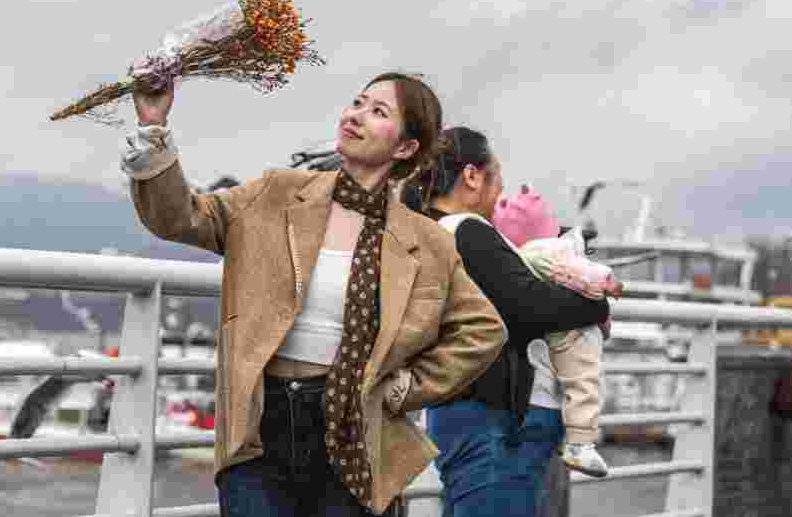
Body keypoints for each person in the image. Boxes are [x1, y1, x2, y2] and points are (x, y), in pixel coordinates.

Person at [121, 72, 507, 517]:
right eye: (358, 102)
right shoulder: (275, 194)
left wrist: (407, 388)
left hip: (356, 435)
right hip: (259, 431)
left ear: (404, 148)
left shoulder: (427, 243)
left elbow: (483, 329)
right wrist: (153, 127)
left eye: (378, 112)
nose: (356, 115)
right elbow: (180, 217)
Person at [401, 127, 611, 517]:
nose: (499, 196)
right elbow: (530, 307)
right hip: (491, 417)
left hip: (460, 410)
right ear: (471, 176)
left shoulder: (425, 232)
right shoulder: (466, 232)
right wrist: (597, 304)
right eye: (497, 179)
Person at [491, 183, 622, 478]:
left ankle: (573, 440)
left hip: (550, 341)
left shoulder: (520, 255)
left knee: (572, 385)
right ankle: (580, 444)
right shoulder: (549, 250)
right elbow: (578, 273)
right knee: (585, 382)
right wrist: (608, 280)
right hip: (571, 337)